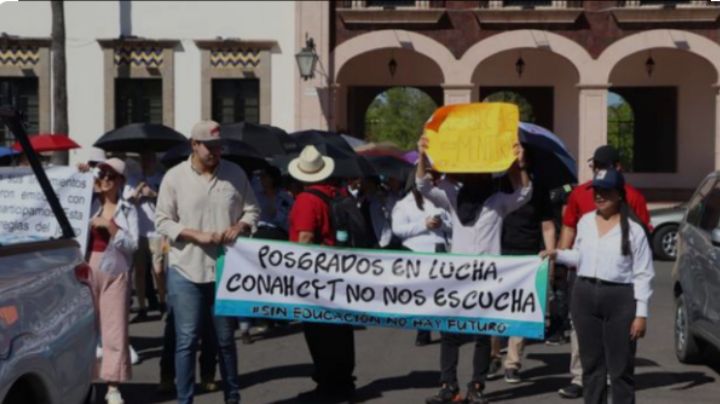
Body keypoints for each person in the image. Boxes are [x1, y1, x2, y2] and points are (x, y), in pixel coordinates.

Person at [417, 135, 532, 404]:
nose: (474, 179)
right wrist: (422, 156)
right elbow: (423, 185)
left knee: (482, 336)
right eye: (470, 175)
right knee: (450, 334)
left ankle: (476, 386)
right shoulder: (453, 198)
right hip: (457, 277)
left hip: (487, 278)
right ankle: (448, 386)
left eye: (479, 175)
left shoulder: (498, 202)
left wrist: (519, 165)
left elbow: (524, 194)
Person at [155, 120, 260, 404]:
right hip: (185, 268)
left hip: (225, 270)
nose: (215, 152)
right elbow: (162, 220)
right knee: (187, 340)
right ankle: (185, 399)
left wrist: (240, 227)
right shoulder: (174, 177)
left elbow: (252, 210)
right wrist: (194, 235)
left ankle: (232, 398)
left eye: (218, 146)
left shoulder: (235, 174)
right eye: (209, 147)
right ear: (194, 145)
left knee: (225, 341)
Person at [542, 168, 654, 404]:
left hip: (620, 298)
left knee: (620, 367)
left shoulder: (633, 230)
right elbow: (581, 257)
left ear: (619, 194)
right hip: (584, 295)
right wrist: (557, 255)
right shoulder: (585, 222)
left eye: (606, 191)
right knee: (592, 366)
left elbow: (643, 273)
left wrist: (641, 314)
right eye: (596, 191)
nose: (599, 196)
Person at [287, 145, 356, 402]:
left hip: (316, 275)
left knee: (319, 332)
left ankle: (328, 384)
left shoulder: (307, 200)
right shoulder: (337, 193)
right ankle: (344, 381)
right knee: (341, 330)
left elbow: (304, 238)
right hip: (340, 271)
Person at [493, 167, 556, 384]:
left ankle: (512, 363)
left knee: (520, 311)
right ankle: (493, 355)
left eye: (521, 162)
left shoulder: (538, 190)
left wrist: (551, 258)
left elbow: (547, 226)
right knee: (494, 311)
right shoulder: (495, 185)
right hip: (497, 256)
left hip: (528, 259)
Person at [86, 158, 139, 404]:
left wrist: (111, 228)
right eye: (102, 174)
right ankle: (84, 381)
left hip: (116, 271)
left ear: (120, 181)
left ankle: (113, 385)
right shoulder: (87, 203)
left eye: (111, 176)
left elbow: (132, 245)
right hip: (86, 269)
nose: (105, 179)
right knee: (83, 329)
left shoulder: (128, 210)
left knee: (114, 329)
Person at [391, 177, 451, 346]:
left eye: (433, 181)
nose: (432, 184)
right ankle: (423, 331)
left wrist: (442, 224)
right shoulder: (403, 204)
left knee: (441, 294)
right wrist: (424, 225)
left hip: (439, 251)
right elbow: (398, 230)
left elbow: (453, 224)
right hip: (417, 253)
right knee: (422, 295)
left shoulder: (440, 199)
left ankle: (445, 330)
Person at [124, 151, 165, 323]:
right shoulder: (133, 180)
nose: (147, 162)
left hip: (158, 232)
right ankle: (142, 307)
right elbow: (127, 201)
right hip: (138, 232)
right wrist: (139, 189)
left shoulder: (161, 178)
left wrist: (153, 194)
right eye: (144, 159)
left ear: (154, 160)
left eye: (150, 159)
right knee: (139, 272)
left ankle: (163, 303)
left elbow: (168, 202)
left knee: (159, 270)